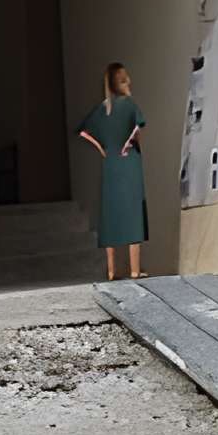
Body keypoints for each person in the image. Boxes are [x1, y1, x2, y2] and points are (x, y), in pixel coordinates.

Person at [77, 61, 146, 280]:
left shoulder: (103, 108)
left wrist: (103, 149)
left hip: (111, 164)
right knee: (133, 213)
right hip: (129, 162)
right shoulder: (129, 104)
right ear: (120, 83)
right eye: (125, 79)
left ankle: (111, 271)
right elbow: (138, 129)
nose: (130, 82)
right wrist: (128, 144)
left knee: (111, 214)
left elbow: (84, 132)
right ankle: (135, 270)